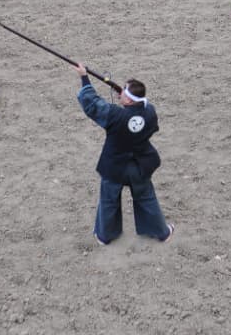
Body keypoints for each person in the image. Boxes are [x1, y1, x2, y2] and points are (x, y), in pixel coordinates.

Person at [75, 64, 174, 245]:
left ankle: (105, 236)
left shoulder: (114, 115)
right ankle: (162, 232)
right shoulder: (150, 112)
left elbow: (92, 102)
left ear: (128, 100)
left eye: (123, 92)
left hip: (114, 167)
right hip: (140, 166)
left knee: (108, 201)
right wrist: (123, 94)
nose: (120, 93)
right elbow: (145, 117)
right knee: (147, 198)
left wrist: (84, 78)